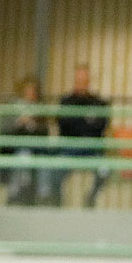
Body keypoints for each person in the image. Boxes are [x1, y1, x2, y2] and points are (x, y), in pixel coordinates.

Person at [53, 63, 111, 207]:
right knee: (53, 169)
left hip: (92, 148)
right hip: (70, 148)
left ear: (89, 81)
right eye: (79, 80)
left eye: (84, 81)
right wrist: (86, 121)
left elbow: (101, 125)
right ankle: (57, 203)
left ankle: (91, 199)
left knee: (105, 170)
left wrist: (79, 122)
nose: (81, 84)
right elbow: (64, 124)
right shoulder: (66, 101)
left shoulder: (98, 102)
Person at [0, 76, 48, 206]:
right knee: (22, 155)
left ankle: (43, 195)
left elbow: (45, 130)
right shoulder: (13, 107)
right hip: (14, 146)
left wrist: (34, 124)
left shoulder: (41, 109)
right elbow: (4, 128)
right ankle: (14, 194)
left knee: (44, 160)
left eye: (33, 90)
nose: (31, 93)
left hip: (36, 147)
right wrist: (19, 122)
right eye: (28, 90)